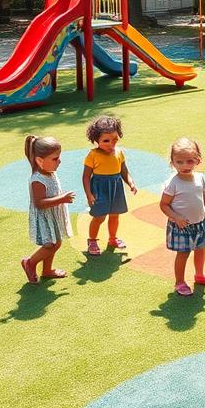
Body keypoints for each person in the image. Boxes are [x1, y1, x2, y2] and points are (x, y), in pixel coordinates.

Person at [159, 138, 205, 296]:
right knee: (183, 254)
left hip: (200, 223)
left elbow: (204, 197)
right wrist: (176, 217)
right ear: (172, 162)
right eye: (180, 162)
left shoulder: (199, 178)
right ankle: (179, 282)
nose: (185, 166)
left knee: (200, 249)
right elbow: (164, 204)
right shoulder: (173, 183)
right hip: (181, 225)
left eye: (190, 161)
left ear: (198, 160)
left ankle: (199, 275)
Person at [22, 135, 75, 284]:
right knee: (51, 244)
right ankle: (30, 263)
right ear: (39, 161)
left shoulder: (50, 172)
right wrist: (62, 199)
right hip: (44, 217)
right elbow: (40, 203)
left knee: (55, 242)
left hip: (53, 215)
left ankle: (47, 270)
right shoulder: (37, 180)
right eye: (55, 159)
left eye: (59, 157)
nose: (59, 161)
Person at [82, 116, 137, 256]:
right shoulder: (93, 155)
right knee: (99, 217)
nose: (111, 144)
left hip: (116, 188)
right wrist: (89, 194)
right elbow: (86, 176)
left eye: (115, 139)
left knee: (114, 215)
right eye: (105, 141)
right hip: (100, 189)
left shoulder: (119, 152)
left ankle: (112, 238)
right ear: (96, 141)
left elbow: (123, 170)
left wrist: (130, 182)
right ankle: (92, 240)